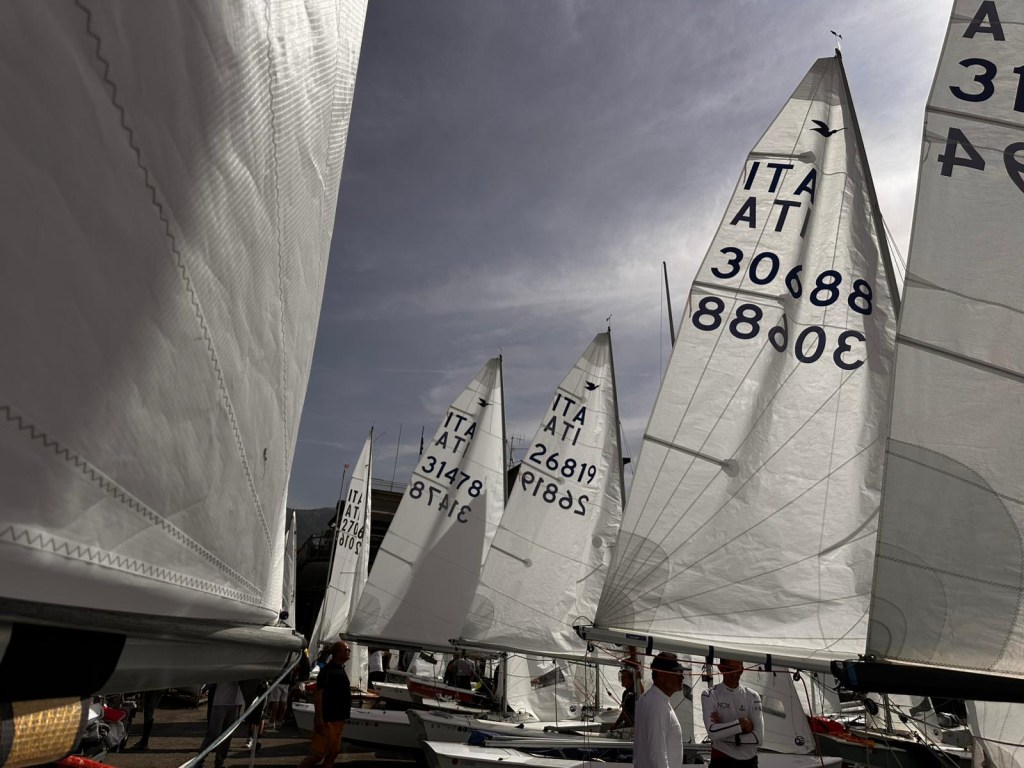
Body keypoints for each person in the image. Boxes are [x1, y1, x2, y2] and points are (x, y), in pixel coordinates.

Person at [298, 641, 352, 768]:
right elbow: (318, 694)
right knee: (319, 754)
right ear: (337, 653)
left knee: (334, 752)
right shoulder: (327, 671)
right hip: (328, 719)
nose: (349, 652)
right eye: (346, 650)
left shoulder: (340, 669)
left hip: (338, 718)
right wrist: (319, 719)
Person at [701, 658, 764, 768]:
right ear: (721, 668)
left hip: (749, 762)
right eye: (730, 669)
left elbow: (758, 738)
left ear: (742, 670)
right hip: (722, 759)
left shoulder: (753, 696)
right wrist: (742, 724)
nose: (735, 674)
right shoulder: (709, 694)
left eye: (738, 670)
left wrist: (723, 734)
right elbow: (712, 732)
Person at [634, 653, 686, 768]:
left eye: (682, 672)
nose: (682, 677)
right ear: (661, 675)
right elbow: (657, 754)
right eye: (677, 672)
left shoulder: (646, 699)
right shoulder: (658, 705)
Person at [197, 680, 244, 768]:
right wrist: (204, 688)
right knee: (213, 734)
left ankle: (219, 762)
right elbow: (213, 677)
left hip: (235, 703)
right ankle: (199, 761)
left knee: (227, 735)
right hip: (220, 702)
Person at [611, 666, 642, 730]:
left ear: (631, 680)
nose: (622, 679)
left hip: (632, 727)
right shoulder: (626, 693)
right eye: (621, 677)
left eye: (624, 677)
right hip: (629, 725)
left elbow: (642, 692)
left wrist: (615, 725)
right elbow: (624, 713)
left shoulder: (635, 692)